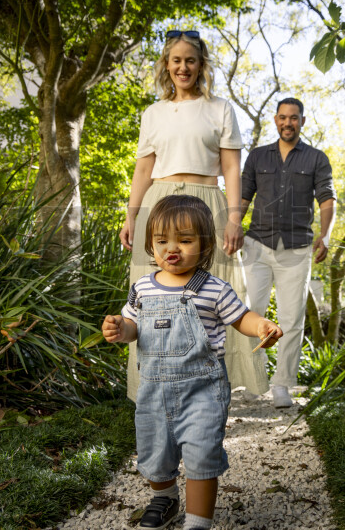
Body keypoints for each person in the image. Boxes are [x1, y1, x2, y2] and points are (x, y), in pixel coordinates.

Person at [103, 195, 282, 530]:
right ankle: (165, 497)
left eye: (185, 241)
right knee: (155, 453)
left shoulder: (213, 289)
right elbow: (132, 327)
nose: (173, 249)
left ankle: (198, 523)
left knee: (202, 455)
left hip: (203, 390)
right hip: (154, 392)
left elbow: (241, 317)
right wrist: (119, 329)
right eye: (162, 241)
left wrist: (261, 325)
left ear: (205, 245)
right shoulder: (141, 288)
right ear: (150, 245)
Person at [120, 29, 269, 401]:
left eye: (190, 60)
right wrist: (131, 217)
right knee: (153, 288)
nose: (183, 67)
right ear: (166, 66)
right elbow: (142, 170)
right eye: (176, 60)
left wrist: (234, 218)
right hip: (159, 202)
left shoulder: (220, 108)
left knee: (221, 286)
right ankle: (153, 386)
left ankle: (219, 385)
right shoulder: (153, 113)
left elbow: (232, 169)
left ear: (201, 65)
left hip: (208, 200)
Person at [240, 97, 336, 408]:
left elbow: (326, 199)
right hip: (256, 244)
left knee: (291, 319)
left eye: (293, 118)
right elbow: (242, 197)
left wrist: (326, 236)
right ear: (275, 120)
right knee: (249, 312)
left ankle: (282, 385)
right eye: (282, 117)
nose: (287, 123)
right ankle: (254, 381)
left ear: (302, 122)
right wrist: (231, 227)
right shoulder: (257, 157)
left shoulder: (316, 159)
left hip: (296, 249)